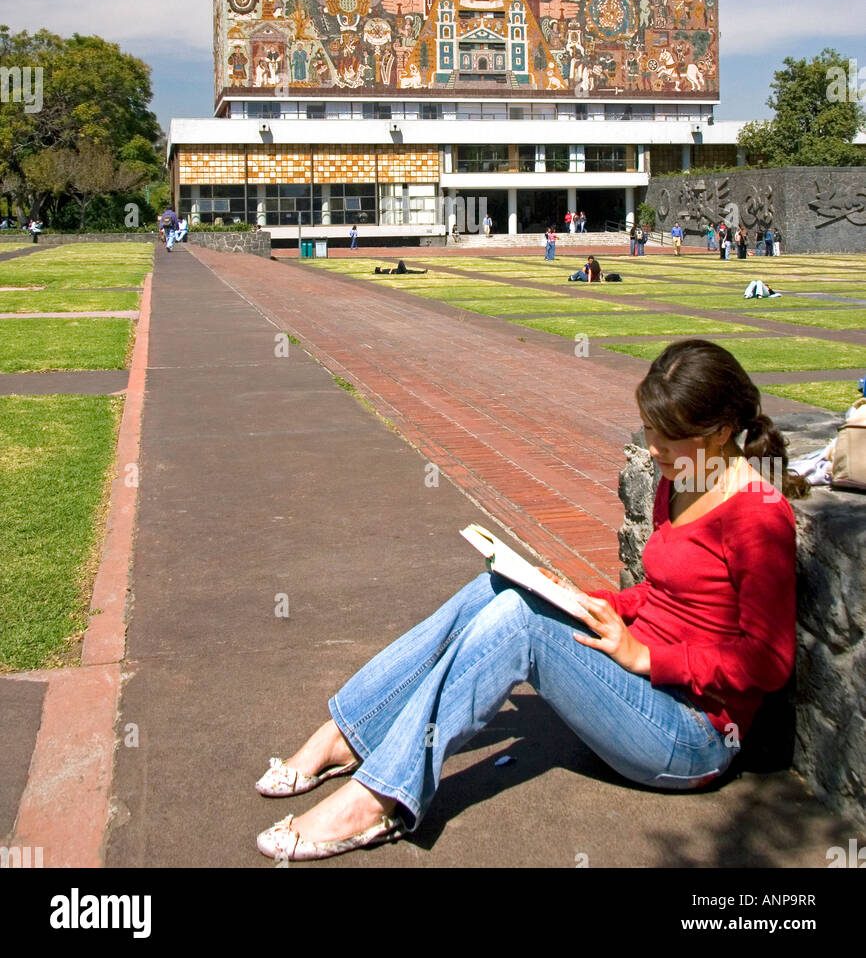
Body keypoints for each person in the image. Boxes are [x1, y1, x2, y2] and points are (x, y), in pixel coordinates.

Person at [252, 338, 804, 863]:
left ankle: (379, 798)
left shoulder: (757, 515)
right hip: (636, 689)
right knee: (502, 585)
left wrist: (648, 659)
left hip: (691, 736)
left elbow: (769, 662)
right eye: (647, 428)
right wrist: (582, 599)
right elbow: (664, 595)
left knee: (519, 621)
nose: (651, 446)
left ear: (722, 429)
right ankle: (351, 732)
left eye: (667, 434)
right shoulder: (680, 476)